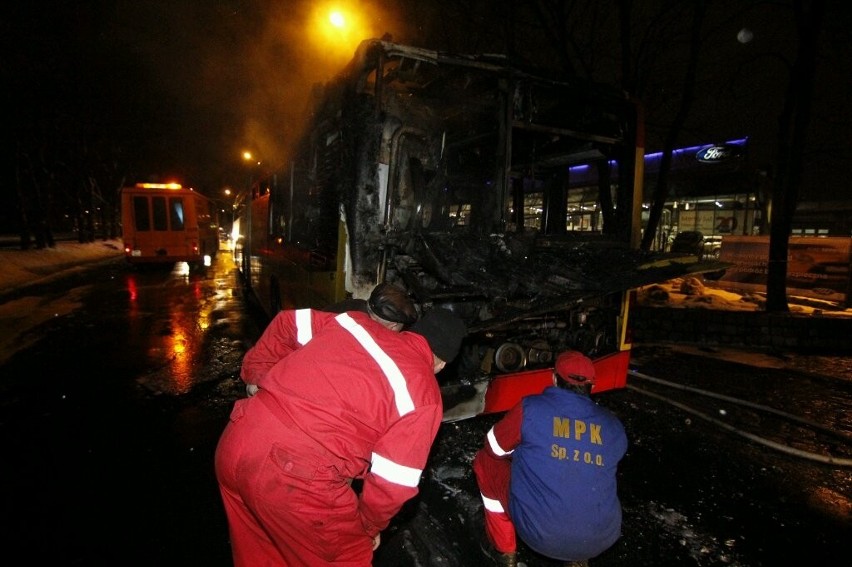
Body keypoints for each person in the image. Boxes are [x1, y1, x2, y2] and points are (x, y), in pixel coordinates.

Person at [215, 307, 467, 566]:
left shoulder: (354, 323)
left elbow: (287, 322)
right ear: (442, 363)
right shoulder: (424, 396)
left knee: (261, 556)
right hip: (296, 478)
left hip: (239, 436)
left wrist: (257, 373)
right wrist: (368, 527)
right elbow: (393, 485)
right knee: (346, 557)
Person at [472, 351, 627, 567]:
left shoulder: (531, 409)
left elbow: (493, 448)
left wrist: (525, 452)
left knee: (484, 462)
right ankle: (577, 559)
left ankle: (505, 552)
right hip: (601, 538)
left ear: (554, 379)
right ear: (591, 386)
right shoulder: (613, 427)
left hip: (541, 534)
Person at [242, 282, 418, 396]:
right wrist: (256, 378)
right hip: (287, 385)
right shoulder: (342, 324)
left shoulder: (355, 308)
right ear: (393, 326)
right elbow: (285, 327)